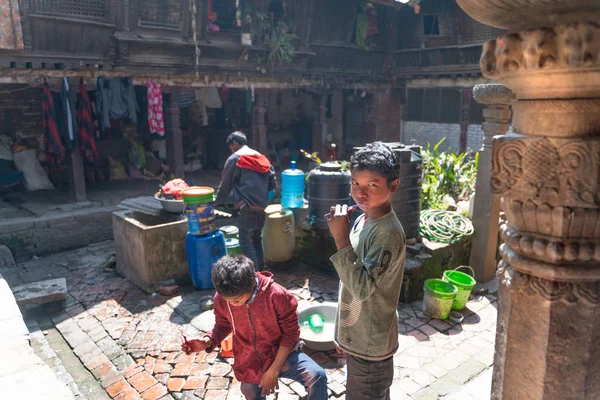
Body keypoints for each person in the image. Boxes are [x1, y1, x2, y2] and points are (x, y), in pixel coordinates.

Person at [181, 255, 328, 400]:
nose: (232, 304)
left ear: (251, 284)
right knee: (249, 392)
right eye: (228, 300)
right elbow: (223, 324)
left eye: (237, 299)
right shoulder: (221, 298)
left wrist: (273, 370)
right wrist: (207, 341)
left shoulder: (277, 296)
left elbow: (291, 334)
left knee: (317, 376)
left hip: (282, 354)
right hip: (249, 360)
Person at [326, 142, 406, 400]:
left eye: (371, 185)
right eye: (355, 183)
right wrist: (343, 333)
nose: (360, 193)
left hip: (372, 351)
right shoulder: (363, 217)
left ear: (393, 186)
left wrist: (340, 239)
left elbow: (361, 288)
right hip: (359, 341)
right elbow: (349, 283)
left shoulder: (387, 234)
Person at [215, 131, 276, 270]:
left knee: (245, 242)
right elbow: (273, 185)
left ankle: (253, 276)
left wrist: (215, 202)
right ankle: (261, 275)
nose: (231, 149)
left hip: (246, 207)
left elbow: (225, 186)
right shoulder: (262, 158)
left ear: (235, 143)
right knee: (256, 240)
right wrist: (264, 202)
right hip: (261, 207)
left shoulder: (234, 159)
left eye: (230, 146)